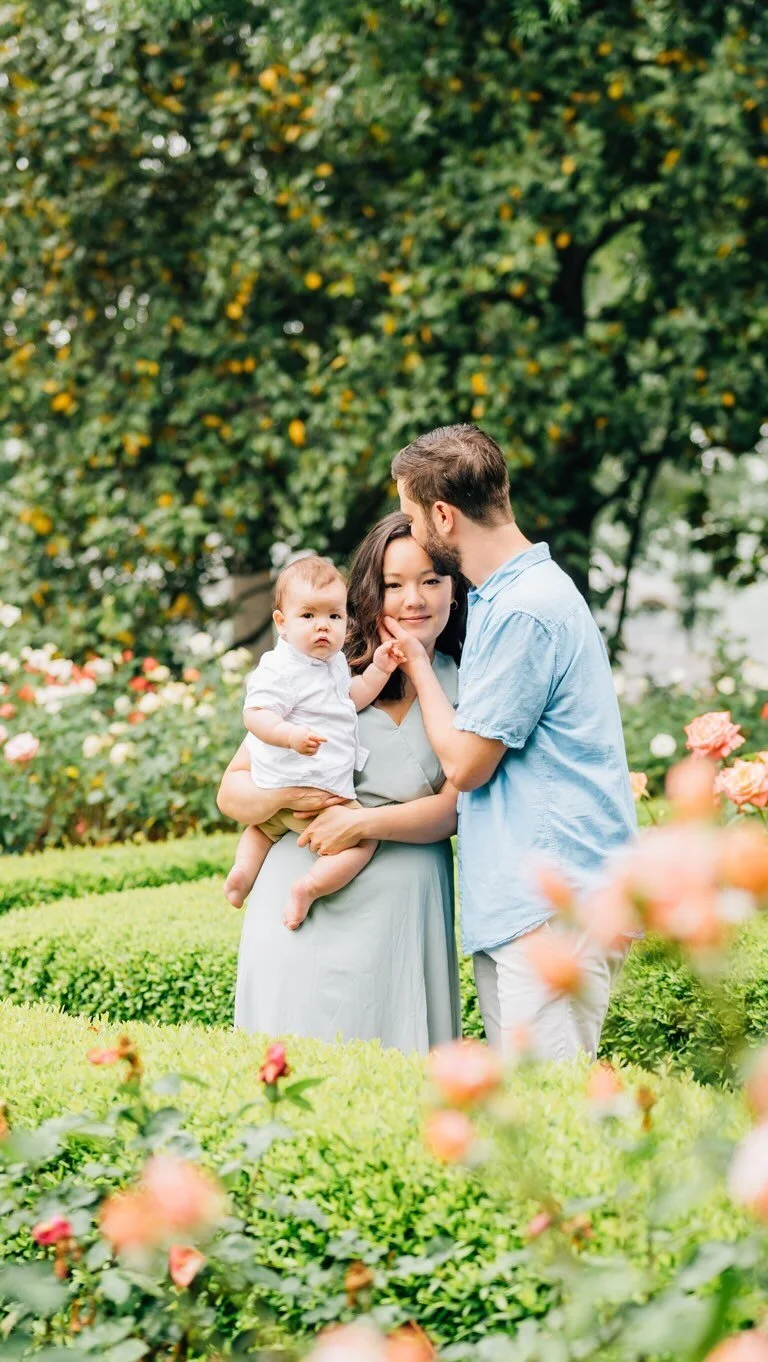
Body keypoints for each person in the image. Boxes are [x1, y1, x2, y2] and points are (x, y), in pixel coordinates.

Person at [386, 423, 637, 1062]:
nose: (413, 533)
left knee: (551, 1120)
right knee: (529, 1118)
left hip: (554, 907)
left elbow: (467, 764)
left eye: (413, 518)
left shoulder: (525, 606)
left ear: (443, 515)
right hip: (527, 906)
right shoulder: (508, 598)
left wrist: (418, 666)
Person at [216, 512, 466, 1052]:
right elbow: (232, 790)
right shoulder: (323, 673)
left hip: (406, 918)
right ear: (369, 594)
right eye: (394, 584)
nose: (413, 599)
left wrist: (360, 823)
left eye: (430, 580)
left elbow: (456, 809)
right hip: (299, 908)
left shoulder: (469, 682)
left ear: (454, 588)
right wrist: (287, 800)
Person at [223, 554, 404, 929]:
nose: (323, 626)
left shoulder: (334, 664)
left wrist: (380, 669)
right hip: (314, 789)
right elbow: (254, 714)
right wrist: (289, 736)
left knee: (261, 830)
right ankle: (309, 887)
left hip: (289, 794)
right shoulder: (279, 667)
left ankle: (243, 875)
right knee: (364, 839)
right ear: (281, 624)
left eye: (334, 616)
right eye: (308, 616)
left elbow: (352, 699)